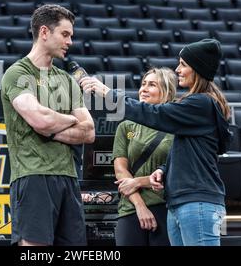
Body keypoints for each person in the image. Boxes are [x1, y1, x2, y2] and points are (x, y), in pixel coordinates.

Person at [80, 39, 231, 246]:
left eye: (183, 65)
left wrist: (107, 93)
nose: (178, 70)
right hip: (179, 203)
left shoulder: (201, 103)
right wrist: (163, 169)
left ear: (197, 69)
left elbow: (152, 113)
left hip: (197, 204)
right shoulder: (196, 107)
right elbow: (188, 153)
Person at [1, 4, 95, 246]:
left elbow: (89, 131)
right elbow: (40, 119)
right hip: (33, 176)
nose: (70, 42)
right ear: (44, 32)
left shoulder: (66, 79)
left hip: (68, 176)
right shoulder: (17, 73)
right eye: (65, 34)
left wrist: (52, 129)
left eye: (71, 36)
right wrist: (71, 119)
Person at [113, 68, 176, 246]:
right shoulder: (126, 126)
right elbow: (120, 170)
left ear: (167, 91)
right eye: (143, 84)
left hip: (166, 207)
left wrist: (138, 181)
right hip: (131, 207)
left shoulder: (177, 126)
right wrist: (140, 207)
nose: (144, 89)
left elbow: (177, 169)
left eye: (152, 85)